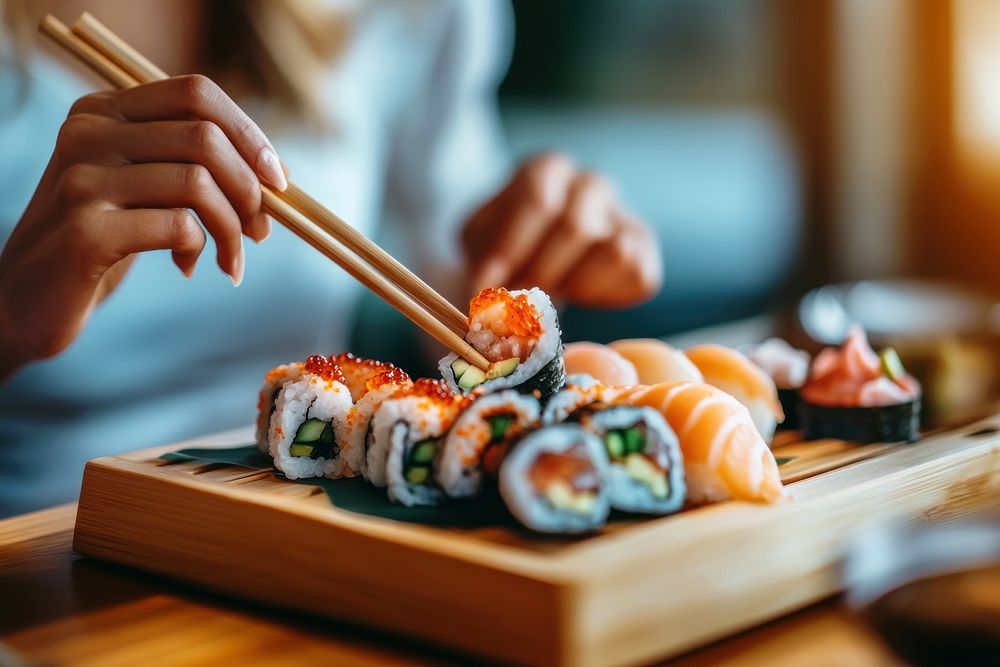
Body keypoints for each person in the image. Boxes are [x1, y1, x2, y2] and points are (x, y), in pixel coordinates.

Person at [0, 0, 662, 516]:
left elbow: (456, 323)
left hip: (309, 526)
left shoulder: (399, 13)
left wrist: (543, 252)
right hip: (40, 560)